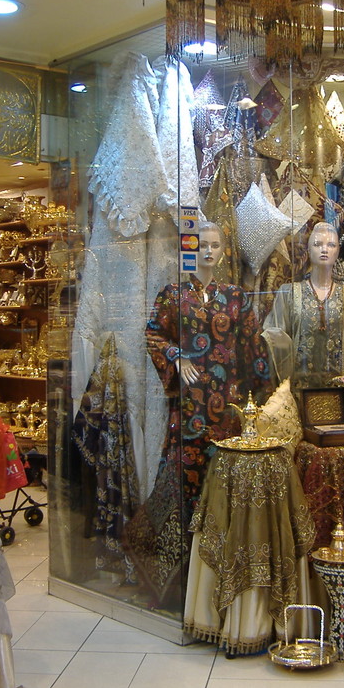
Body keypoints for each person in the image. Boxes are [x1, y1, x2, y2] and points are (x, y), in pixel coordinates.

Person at [124, 222, 271, 605]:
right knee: (182, 476)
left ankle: (227, 575)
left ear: (223, 250)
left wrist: (263, 397)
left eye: (215, 245)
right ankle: (177, 577)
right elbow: (154, 333)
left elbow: (254, 347)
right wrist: (177, 356)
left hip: (228, 406)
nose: (208, 251)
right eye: (202, 245)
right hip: (189, 408)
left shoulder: (235, 297)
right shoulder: (174, 295)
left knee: (225, 481)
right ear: (192, 250)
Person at [262, 222, 344, 393]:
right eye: (318, 244)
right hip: (299, 392)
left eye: (331, 244)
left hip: (340, 392)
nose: (324, 249)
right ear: (308, 250)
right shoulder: (288, 293)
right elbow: (276, 341)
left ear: (338, 251)